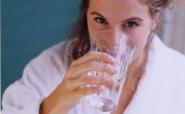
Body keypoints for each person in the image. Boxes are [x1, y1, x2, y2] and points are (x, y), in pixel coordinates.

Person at [2, 0, 185, 114]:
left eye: (131, 24)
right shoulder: (49, 68)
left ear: (155, 19)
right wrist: (53, 106)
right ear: (86, 12)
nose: (113, 42)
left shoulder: (179, 76)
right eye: (100, 20)